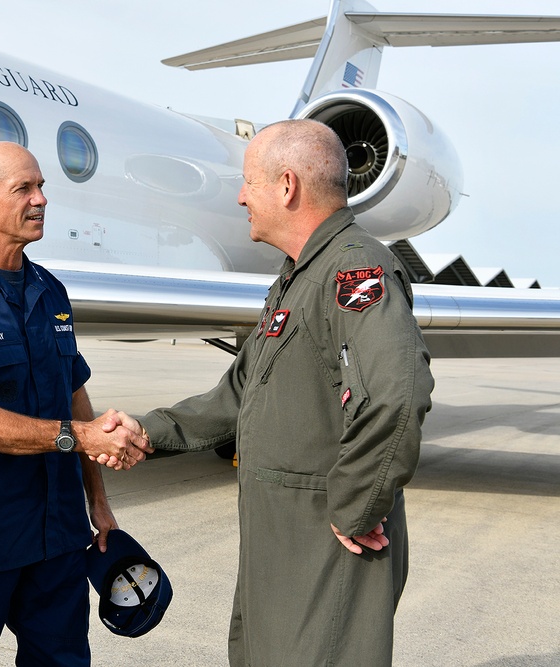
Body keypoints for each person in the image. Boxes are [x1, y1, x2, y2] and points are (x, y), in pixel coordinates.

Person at [111, 119, 435, 666]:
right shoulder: (296, 278)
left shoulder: (356, 268)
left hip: (327, 543)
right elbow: (239, 394)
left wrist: (357, 504)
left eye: (248, 183)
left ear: (287, 186)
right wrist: (149, 431)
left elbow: (397, 393)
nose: (240, 197)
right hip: (282, 543)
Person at [0, 141, 153, 666]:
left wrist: (99, 502)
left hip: (56, 540)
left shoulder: (50, 292)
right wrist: (82, 437)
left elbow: (74, 394)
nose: (41, 199)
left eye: (41, 187)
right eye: (24, 188)